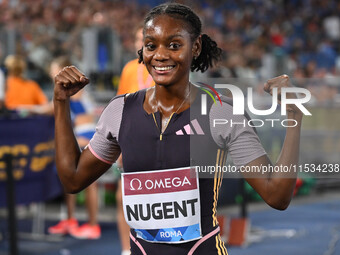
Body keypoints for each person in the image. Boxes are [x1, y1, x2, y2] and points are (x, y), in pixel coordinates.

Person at [53, 3, 302, 254]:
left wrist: (294, 115)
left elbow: (276, 196)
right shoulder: (120, 112)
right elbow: (73, 180)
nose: (160, 55)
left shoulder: (222, 113)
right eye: (151, 45)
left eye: (174, 45)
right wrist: (61, 103)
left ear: (195, 47)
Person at [45, 56, 101, 240]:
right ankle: (70, 220)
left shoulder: (74, 91)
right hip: (79, 137)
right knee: (67, 175)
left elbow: (85, 121)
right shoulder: (64, 91)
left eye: (54, 68)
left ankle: (93, 225)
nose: (50, 71)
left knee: (89, 180)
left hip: (87, 137)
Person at [115, 24, 154, 255]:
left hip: (163, 141)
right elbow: (121, 107)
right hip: (133, 142)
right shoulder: (129, 69)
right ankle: (126, 250)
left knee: (159, 199)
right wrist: (119, 146)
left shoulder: (165, 65)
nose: (142, 44)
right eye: (139, 39)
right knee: (124, 197)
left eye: (146, 39)